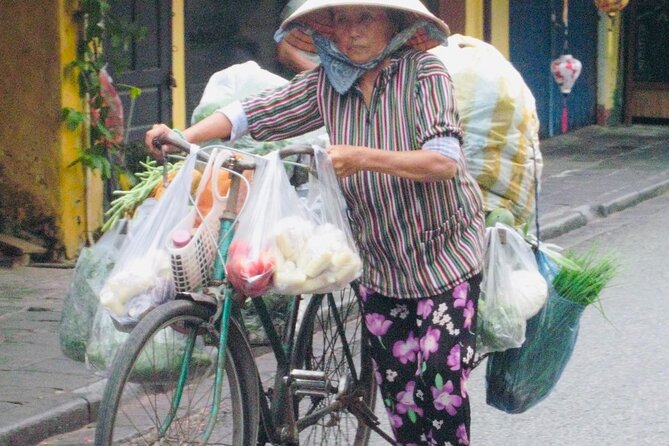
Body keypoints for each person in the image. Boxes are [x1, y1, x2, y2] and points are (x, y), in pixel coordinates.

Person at [146, 0, 485, 444]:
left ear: (394, 24)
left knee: (439, 385)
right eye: (342, 21)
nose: (352, 32)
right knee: (402, 400)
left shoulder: (424, 74)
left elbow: (444, 161)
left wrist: (361, 158)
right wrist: (181, 137)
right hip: (380, 263)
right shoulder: (328, 82)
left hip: (443, 255)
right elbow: (255, 113)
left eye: (365, 18)